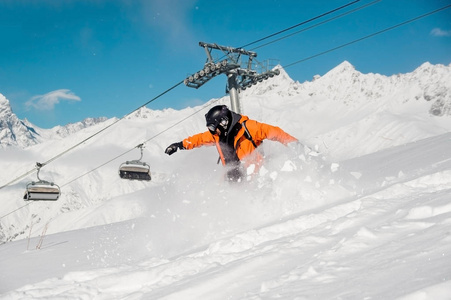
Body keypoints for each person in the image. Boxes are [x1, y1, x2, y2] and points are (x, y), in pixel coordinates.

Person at [165, 105, 298, 181]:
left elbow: (275, 132)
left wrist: (295, 145)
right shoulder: (218, 135)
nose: (212, 131)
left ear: (223, 122)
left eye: (213, 127)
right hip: (232, 178)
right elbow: (199, 139)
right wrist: (179, 145)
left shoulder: (248, 127)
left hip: (255, 178)